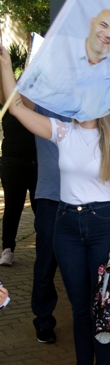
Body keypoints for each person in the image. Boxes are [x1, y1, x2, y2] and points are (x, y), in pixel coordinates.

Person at [1, 44, 110, 365]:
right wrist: (4, 63)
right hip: (66, 225)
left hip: (104, 225)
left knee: (101, 305)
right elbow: (15, 106)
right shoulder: (62, 131)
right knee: (79, 307)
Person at [0, 102, 37, 266]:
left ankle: (46, 248)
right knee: (12, 208)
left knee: (41, 209)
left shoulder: (41, 106)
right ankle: (7, 248)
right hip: (12, 162)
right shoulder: (10, 106)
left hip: (37, 163)